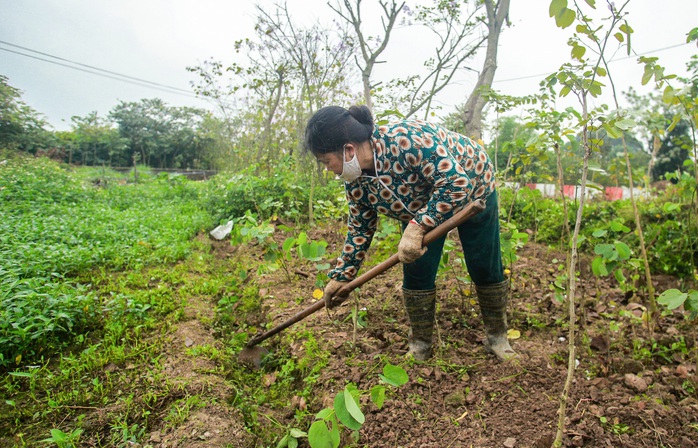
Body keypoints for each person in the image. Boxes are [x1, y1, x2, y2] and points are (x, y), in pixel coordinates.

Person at [303, 105, 517, 362]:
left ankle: (498, 338)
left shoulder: (407, 141)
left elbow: (457, 183)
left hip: (474, 186)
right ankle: (420, 345)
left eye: (326, 161)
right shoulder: (357, 182)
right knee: (416, 270)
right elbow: (360, 228)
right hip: (421, 206)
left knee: (484, 263)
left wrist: (416, 227)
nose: (327, 169)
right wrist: (342, 275)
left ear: (348, 149)